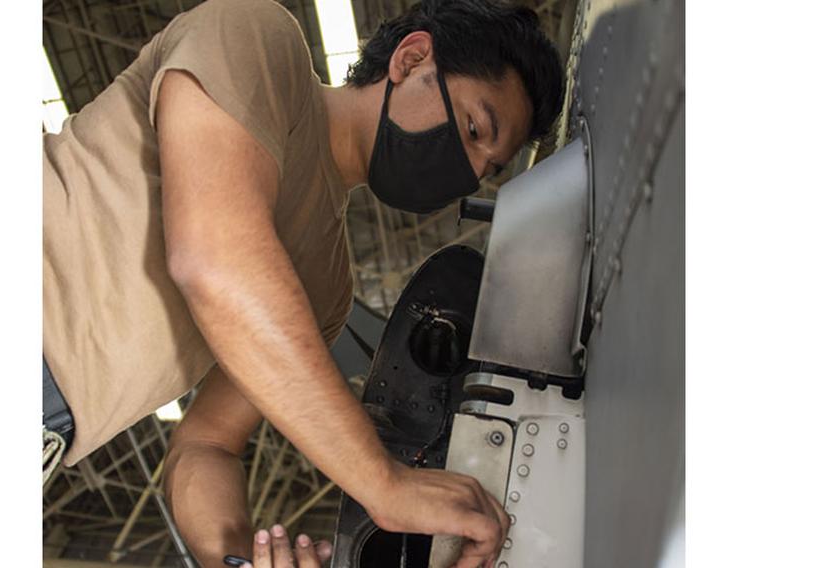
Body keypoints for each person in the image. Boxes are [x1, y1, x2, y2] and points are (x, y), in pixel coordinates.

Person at [42, 0, 564, 566]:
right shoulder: (258, 36)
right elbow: (213, 258)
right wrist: (382, 482)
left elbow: (206, 445)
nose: (467, 172)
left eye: (486, 169)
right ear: (411, 60)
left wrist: (240, 558)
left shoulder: (325, 286)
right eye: (472, 128)